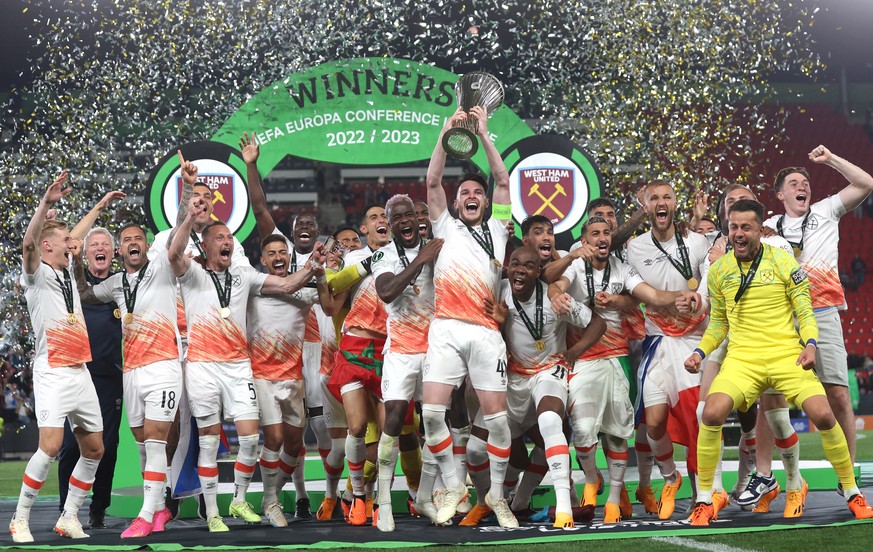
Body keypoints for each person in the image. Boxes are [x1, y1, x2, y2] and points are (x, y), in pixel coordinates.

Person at [684, 198, 873, 525]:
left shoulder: (786, 264)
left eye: (746, 227)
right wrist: (700, 352)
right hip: (743, 360)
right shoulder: (719, 270)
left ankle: (851, 490)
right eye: (733, 227)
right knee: (711, 413)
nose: (738, 234)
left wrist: (811, 344)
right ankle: (703, 499)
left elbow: (805, 311)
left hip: (786, 355)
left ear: (760, 230)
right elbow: (719, 324)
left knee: (824, 415)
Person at [168, 194, 323, 532]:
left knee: (252, 439)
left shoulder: (244, 275)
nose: (227, 241)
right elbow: (173, 254)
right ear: (207, 247)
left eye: (230, 238)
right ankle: (212, 513)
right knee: (209, 442)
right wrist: (186, 216)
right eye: (220, 238)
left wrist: (313, 266)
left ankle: (239, 499)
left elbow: (286, 284)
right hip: (202, 365)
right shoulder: (192, 272)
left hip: (239, 366)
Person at [552, 216, 698, 522]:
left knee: (618, 435)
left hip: (618, 357)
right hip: (585, 359)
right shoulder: (576, 265)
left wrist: (685, 296)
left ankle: (614, 501)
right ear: (585, 240)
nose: (602, 237)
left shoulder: (623, 269)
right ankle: (592, 478)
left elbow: (654, 297)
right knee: (582, 432)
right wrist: (558, 295)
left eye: (606, 232)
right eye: (595, 233)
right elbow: (556, 285)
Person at [421, 106, 518, 528]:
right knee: (430, 415)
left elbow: (501, 180)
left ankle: (496, 496)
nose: (472, 196)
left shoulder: (499, 230)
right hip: (445, 328)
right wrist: (445, 134)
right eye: (465, 194)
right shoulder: (443, 225)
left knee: (497, 419)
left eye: (476, 192)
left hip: (485, 332)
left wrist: (484, 134)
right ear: (456, 203)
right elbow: (431, 181)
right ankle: (455, 485)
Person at [763, 146, 873, 488]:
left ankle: (847, 476)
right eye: (794, 183)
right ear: (781, 194)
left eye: (806, 182)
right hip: (783, 317)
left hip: (822, 312)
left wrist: (831, 161)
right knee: (772, 397)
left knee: (838, 394)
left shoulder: (826, 211)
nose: (803, 186)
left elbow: (866, 183)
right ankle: (770, 476)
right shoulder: (767, 227)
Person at [11, 173, 104, 543]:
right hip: (51, 371)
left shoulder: (66, 273)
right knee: (49, 446)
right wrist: (46, 204)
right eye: (66, 241)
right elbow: (28, 243)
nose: (74, 244)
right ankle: (20, 519)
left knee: (95, 448)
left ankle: (69, 516)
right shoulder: (35, 274)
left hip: (80, 370)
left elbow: (74, 233)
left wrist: (98, 208)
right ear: (48, 245)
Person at [76, 222, 182, 537]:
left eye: (138, 238)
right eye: (127, 240)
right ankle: (160, 507)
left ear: (146, 246)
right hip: (132, 371)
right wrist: (73, 262)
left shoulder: (162, 267)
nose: (133, 243)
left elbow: (177, 239)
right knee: (142, 444)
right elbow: (84, 293)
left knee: (155, 439)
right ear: (120, 250)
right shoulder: (117, 283)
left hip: (163, 366)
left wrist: (188, 193)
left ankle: (147, 513)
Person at [241, 132, 326, 521]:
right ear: (263, 256)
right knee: (273, 438)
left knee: (294, 443)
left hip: (294, 374)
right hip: (261, 373)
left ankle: (273, 491)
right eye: (271, 252)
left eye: (281, 253)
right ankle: (271, 501)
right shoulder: (254, 281)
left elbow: (326, 303)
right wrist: (252, 164)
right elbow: (259, 208)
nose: (278, 256)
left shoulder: (306, 284)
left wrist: (323, 277)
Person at [490, 246, 604, 528]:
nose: (519, 270)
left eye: (528, 266)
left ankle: (564, 508)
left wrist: (575, 349)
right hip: (512, 378)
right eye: (514, 263)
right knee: (501, 450)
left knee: (552, 422)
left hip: (548, 371)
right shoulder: (500, 291)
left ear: (537, 272)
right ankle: (506, 501)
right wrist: (498, 325)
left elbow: (597, 323)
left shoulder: (556, 299)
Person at [625, 180, 711, 519]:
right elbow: (642, 291)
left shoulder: (698, 241)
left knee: (695, 423)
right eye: (654, 198)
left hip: (692, 343)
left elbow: (708, 277)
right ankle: (670, 478)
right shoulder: (634, 248)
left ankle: (702, 495)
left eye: (667, 197)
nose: (661, 203)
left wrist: (699, 299)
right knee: (654, 425)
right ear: (645, 207)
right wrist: (672, 300)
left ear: (676, 204)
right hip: (658, 342)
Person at [372, 195, 443, 531]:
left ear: (418, 218)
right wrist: (419, 262)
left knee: (436, 420)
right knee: (396, 420)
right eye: (396, 216)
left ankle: (433, 495)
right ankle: (383, 502)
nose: (403, 221)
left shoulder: (438, 248)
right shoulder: (383, 255)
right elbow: (387, 292)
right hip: (400, 350)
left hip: (436, 349)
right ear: (389, 223)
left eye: (408, 214)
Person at [56, 192, 125, 532]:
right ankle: (63, 508)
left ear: (114, 253)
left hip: (111, 380)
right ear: (84, 251)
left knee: (107, 448)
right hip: (77, 374)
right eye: (93, 244)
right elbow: (70, 242)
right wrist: (99, 208)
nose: (100, 248)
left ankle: (98, 508)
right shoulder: (73, 281)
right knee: (70, 447)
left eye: (106, 245)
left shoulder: (122, 286)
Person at [326, 203, 393, 525]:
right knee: (355, 427)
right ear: (364, 230)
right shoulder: (354, 258)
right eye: (373, 218)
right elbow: (334, 289)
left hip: (390, 350)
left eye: (385, 216)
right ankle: (359, 497)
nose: (381, 220)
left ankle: (383, 500)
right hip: (354, 345)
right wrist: (367, 264)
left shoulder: (402, 257)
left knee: (387, 433)